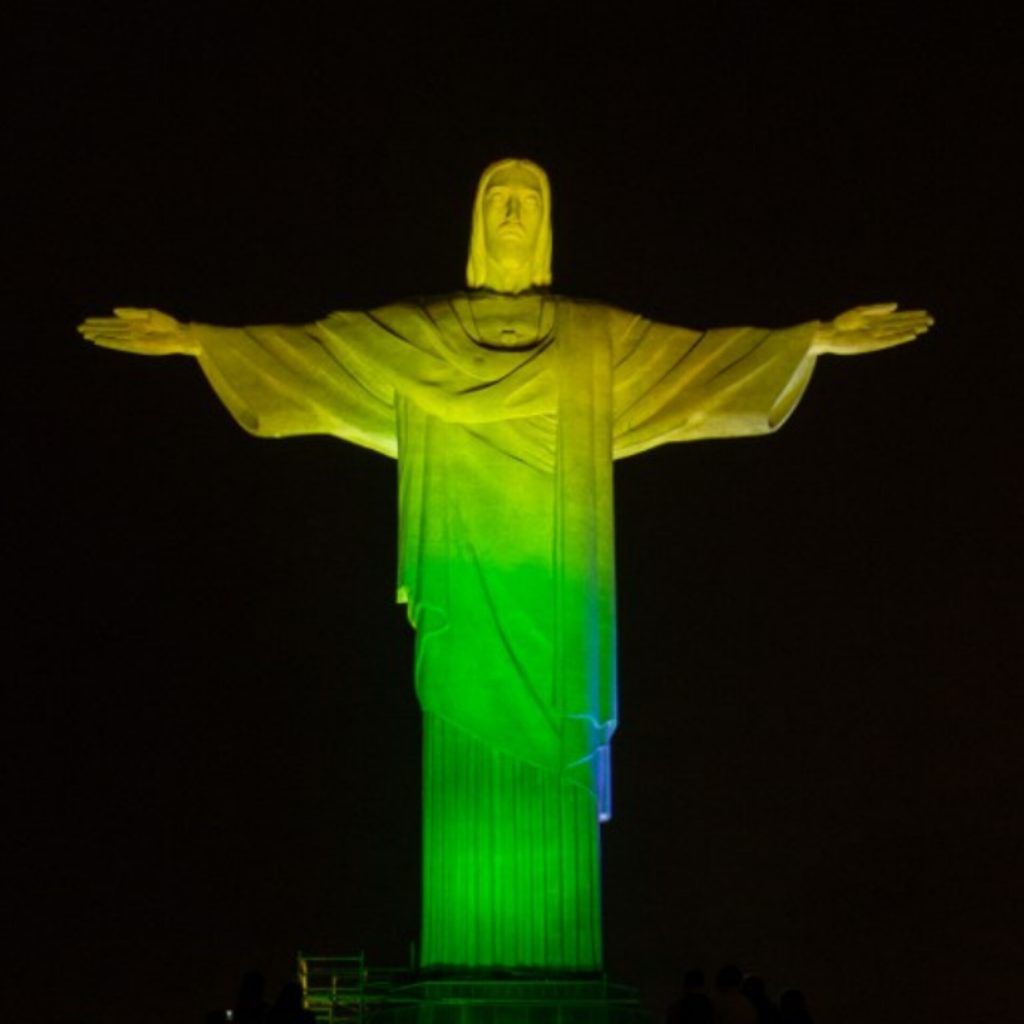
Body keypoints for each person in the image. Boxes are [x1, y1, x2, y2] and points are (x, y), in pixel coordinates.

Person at [79, 159, 932, 972]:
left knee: (549, 767)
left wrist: (813, 339)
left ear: (549, 221)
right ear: (478, 223)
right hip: (464, 588)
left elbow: (701, 361)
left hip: (558, 609)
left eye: (529, 196)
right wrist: (197, 340)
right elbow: (320, 353)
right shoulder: (425, 334)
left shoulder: (595, 338)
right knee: (463, 756)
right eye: (499, 198)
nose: (514, 210)